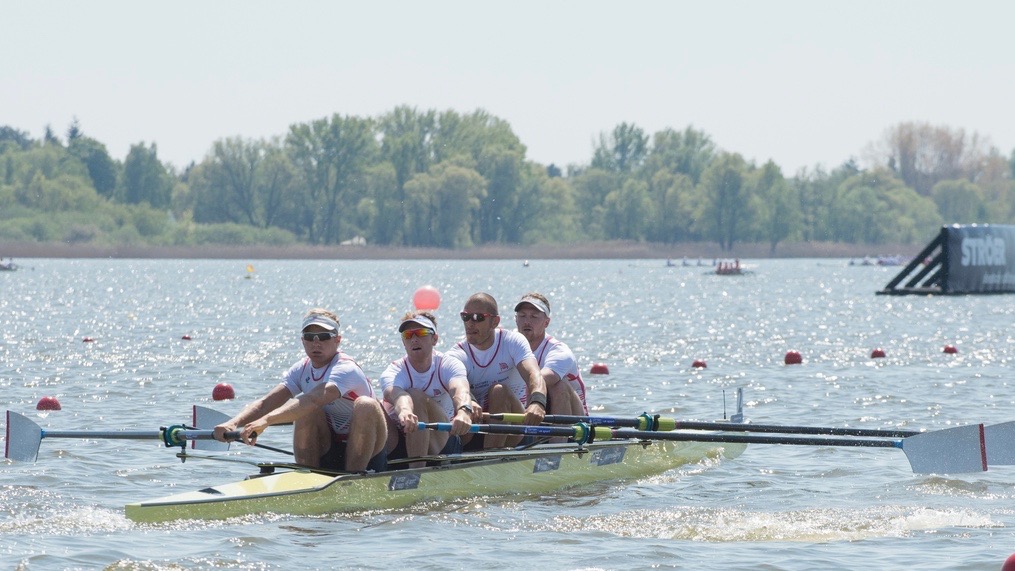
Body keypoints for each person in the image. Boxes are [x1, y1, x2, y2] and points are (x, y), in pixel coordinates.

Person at [213, 308, 388, 472]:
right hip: (329, 445)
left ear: (337, 340)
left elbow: (315, 399)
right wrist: (233, 423)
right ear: (302, 340)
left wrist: (266, 421)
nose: (316, 343)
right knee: (305, 411)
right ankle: (307, 476)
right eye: (310, 336)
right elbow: (266, 403)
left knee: (365, 405)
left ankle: (354, 478)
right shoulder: (300, 370)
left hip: (369, 450)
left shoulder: (346, 368)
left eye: (324, 336)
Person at [445, 292, 546, 449]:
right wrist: (469, 401)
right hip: (475, 427)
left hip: (514, 428)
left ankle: (490, 456)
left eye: (478, 318)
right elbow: (457, 386)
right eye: (465, 317)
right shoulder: (456, 354)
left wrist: (538, 402)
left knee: (498, 391)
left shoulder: (513, 341)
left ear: (495, 321)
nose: (470, 324)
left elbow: (534, 374)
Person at [379, 311, 473, 467]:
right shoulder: (394, 370)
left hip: (444, 445)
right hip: (404, 441)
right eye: (408, 335)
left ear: (434, 339)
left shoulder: (449, 364)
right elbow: (397, 394)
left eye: (421, 333)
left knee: (416, 395)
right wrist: (405, 411)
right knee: (369, 403)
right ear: (404, 342)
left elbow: (460, 390)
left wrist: (464, 411)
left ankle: (415, 475)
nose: (414, 339)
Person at [513, 293, 589, 421]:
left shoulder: (559, 352)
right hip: (530, 411)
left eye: (534, 317)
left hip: (576, 422)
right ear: (516, 319)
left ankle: (558, 440)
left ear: (546, 322)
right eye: (522, 316)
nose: (527, 321)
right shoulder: (509, 344)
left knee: (558, 385)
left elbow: (539, 380)